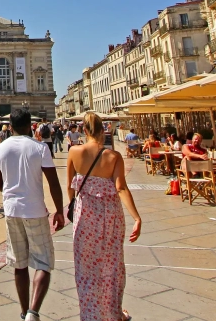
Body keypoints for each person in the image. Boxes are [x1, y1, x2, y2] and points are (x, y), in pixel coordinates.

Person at [0, 109, 64, 321]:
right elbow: (53, 183)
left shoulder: (0, 148)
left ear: (10, 126)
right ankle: (33, 311)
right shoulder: (40, 148)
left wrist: (11, 193)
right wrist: (59, 211)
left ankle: (24, 312)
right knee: (43, 262)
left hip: (11, 211)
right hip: (35, 210)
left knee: (19, 264)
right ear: (30, 125)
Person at [67, 111, 140, 321]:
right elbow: (122, 188)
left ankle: (90, 314)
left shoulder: (74, 152)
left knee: (86, 267)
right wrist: (137, 218)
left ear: (84, 130)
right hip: (110, 217)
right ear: (103, 131)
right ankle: (113, 313)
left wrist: (76, 203)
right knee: (112, 265)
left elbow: (70, 188)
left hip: (85, 216)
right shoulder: (113, 157)